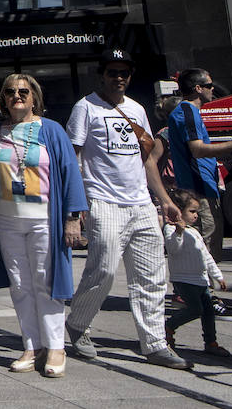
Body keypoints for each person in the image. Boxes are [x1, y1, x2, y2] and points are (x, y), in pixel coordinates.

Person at [64, 48, 190, 369]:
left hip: (141, 204)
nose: (119, 78)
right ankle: (78, 325)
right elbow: (72, 159)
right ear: (102, 75)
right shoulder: (85, 108)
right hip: (103, 201)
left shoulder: (136, 109)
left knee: (152, 276)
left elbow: (146, 159)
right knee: (103, 270)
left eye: (124, 73)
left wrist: (165, 199)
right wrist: (75, 208)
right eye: (112, 72)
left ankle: (155, 344)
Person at [0, 73, 87, 379]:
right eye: (10, 92)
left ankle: (56, 346)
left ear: (34, 97)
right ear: (2, 98)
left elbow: (70, 172)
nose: (17, 96)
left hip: (44, 219)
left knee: (46, 281)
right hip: (7, 220)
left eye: (24, 92)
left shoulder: (51, 130)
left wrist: (73, 218)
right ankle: (32, 345)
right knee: (19, 284)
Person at [168, 68, 232, 285]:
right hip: (198, 190)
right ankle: (203, 296)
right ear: (198, 88)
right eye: (209, 85)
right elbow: (198, 149)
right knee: (205, 246)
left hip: (203, 188)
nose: (213, 89)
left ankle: (204, 294)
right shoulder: (187, 112)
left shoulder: (190, 112)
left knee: (208, 246)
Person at [163, 189, 230, 357]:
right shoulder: (171, 230)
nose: (195, 216)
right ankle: (169, 326)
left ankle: (211, 342)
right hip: (184, 280)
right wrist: (179, 231)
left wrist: (217, 275)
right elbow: (173, 249)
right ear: (178, 210)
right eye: (192, 211)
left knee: (208, 312)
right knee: (195, 309)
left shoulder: (194, 232)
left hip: (201, 280)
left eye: (196, 212)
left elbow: (206, 256)